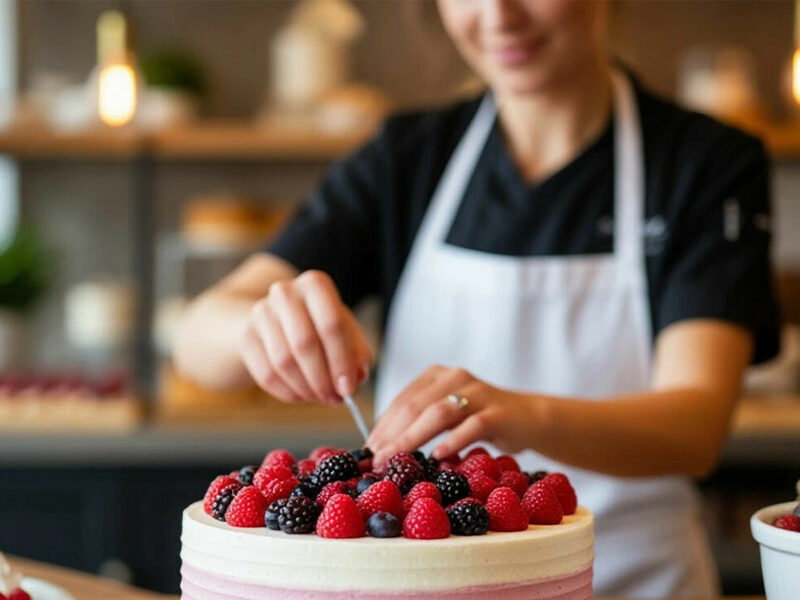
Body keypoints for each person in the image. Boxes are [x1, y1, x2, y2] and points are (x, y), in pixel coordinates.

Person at [174, 1, 780, 597]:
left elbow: (696, 426)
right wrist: (259, 322)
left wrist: (522, 413)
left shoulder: (708, 164)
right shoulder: (406, 158)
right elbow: (196, 342)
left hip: (634, 579)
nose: (497, 16)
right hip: (421, 585)